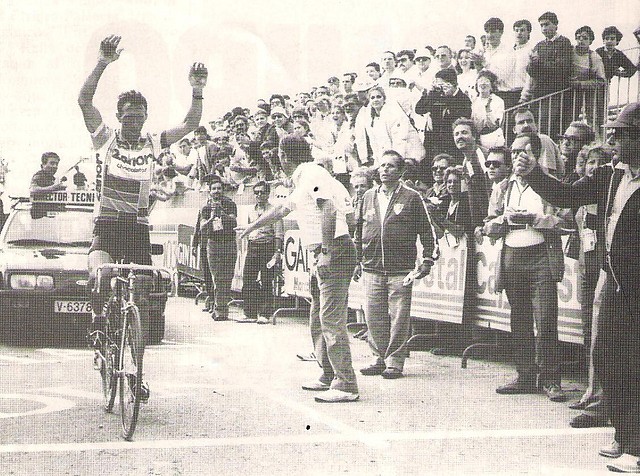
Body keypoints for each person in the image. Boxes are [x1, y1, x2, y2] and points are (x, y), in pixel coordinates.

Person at [78, 35, 207, 402]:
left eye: (139, 117)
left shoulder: (154, 141)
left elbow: (191, 123)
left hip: (137, 227)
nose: (133, 122)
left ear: (146, 117)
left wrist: (197, 90)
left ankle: (137, 371)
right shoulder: (104, 139)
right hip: (107, 224)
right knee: (101, 274)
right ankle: (99, 325)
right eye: (128, 117)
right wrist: (103, 63)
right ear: (119, 117)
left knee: (143, 301)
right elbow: (84, 101)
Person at [512, 103, 640, 473]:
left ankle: (637, 445)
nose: (613, 139)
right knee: (608, 358)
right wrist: (534, 173)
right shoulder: (611, 175)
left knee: (634, 363)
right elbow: (567, 195)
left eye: (623, 134)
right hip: (616, 281)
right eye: (613, 132)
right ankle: (626, 432)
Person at [238, 134, 359, 403]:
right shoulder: (306, 178)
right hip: (327, 251)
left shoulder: (313, 175)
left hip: (334, 250)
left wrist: (326, 251)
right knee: (317, 316)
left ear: (283, 156)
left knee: (330, 319)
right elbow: (281, 210)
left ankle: (346, 384)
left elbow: (327, 209)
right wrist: (251, 227)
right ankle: (328, 374)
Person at [482, 132, 571, 403]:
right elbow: (487, 224)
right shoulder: (503, 187)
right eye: (514, 151)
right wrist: (501, 223)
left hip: (540, 257)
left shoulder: (548, 183)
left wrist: (538, 219)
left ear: (536, 154)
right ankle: (524, 375)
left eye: (524, 151)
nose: (518, 157)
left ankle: (551, 379)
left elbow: (566, 222)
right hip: (512, 256)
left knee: (545, 320)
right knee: (518, 320)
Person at [354, 150, 438, 379]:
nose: (385, 170)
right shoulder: (368, 197)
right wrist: (356, 260)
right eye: (382, 166)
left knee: (399, 317)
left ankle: (395, 361)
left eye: (391, 166)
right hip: (371, 267)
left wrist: (428, 258)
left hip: (400, 269)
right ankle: (378, 357)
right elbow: (358, 230)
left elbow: (427, 231)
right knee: (374, 316)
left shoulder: (411, 197)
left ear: (401, 171)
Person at [520, 12, 573, 139]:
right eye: (541, 26)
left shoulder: (564, 42)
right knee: (538, 126)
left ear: (555, 25)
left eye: (546, 24)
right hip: (539, 93)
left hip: (556, 93)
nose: (544, 28)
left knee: (550, 127)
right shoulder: (539, 45)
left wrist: (540, 64)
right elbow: (532, 72)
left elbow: (562, 68)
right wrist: (533, 63)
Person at [192, 174, 237, 321]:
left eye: (219, 188)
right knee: (217, 277)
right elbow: (202, 225)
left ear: (222, 190)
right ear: (209, 191)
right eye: (214, 189)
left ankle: (221, 307)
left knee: (227, 277)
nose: (217, 191)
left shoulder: (230, 204)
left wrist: (221, 213)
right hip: (213, 244)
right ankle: (220, 309)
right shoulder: (205, 207)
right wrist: (212, 216)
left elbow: (233, 222)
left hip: (229, 243)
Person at [238, 181, 283, 324]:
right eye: (256, 192)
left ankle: (265, 313)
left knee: (266, 281)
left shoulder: (274, 210)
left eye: (262, 192)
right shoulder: (251, 211)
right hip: (253, 247)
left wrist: (277, 252)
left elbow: (278, 234)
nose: (259, 195)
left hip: (267, 247)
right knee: (248, 279)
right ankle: (250, 312)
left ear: (267, 194)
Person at [415, 68, 472, 160]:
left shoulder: (463, 99)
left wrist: (450, 97)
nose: (440, 88)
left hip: (453, 145)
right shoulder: (436, 95)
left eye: (442, 85)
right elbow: (419, 109)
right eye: (438, 84)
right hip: (434, 144)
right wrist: (430, 93)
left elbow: (459, 119)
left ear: (453, 84)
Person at [571, 26, 607, 128]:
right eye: (578, 37)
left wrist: (581, 84)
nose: (581, 40)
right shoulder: (570, 52)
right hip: (571, 92)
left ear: (590, 41)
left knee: (593, 119)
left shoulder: (594, 57)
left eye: (585, 38)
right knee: (569, 117)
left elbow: (601, 80)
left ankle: (595, 139)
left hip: (590, 92)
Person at [471, 70, 505, 148]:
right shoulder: (474, 101)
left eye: (486, 81)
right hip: (477, 139)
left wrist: (488, 109)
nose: (483, 83)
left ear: (491, 85)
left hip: (493, 138)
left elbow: (494, 125)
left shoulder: (498, 101)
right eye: (480, 81)